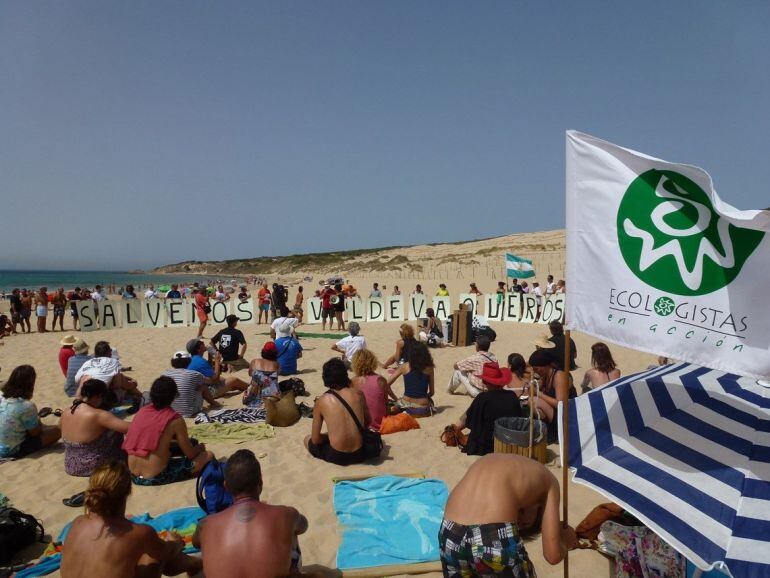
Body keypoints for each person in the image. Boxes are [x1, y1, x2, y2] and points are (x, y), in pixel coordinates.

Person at [439, 454, 577, 577]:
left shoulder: (508, 464)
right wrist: (566, 540)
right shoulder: (550, 481)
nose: (518, 520)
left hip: (450, 532)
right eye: (522, 518)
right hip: (490, 535)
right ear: (539, 508)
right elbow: (552, 556)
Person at [61, 460, 202, 578]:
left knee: (143, 554)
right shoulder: (137, 533)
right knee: (155, 556)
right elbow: (167, 552)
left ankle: (195, 564)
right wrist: (175, 542)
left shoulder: (78, 522)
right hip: (161, 549)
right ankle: (196, 564)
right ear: (128, 491)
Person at [192, 450, 308, 577]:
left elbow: (196, 543)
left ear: (226, 487)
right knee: (290, 531)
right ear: (261, 483)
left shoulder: (206, 525)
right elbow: (303, 526)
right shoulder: (286, 515)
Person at [124, 376, 213, 485]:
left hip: (133, 475)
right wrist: (199, 450)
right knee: (208, 455)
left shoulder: (142, 412)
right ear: (174, 396)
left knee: (176, 445)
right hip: (154, 477)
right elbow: (191, 455)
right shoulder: (175, 419)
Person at [304, 358, 370, 465]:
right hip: (360, 453)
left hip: (338, 456)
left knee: (307, 439)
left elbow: (315, 439)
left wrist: (328, 436)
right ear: (345, 375)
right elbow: (367, 422)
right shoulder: (358, 394)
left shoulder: (321, 401)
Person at [61, 379, 129, 477]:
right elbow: (129, 429)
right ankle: (121, 459)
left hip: (70, 466)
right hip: (92, 467)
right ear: (99, 396)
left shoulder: (66, 411)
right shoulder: (98, 415)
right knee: (116, 431)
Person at [452, 362, 523, 456]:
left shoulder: (482, 398)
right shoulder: (512, 396)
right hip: (509, 441)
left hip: (486, 445)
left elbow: (471, 419)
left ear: (485, 382)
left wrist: (456, 428)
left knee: (469, 417)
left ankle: (455, 427)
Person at [0, 365, 61, 458]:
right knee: (58, 431)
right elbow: (35, 433)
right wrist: (39, 422)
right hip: (10, 451)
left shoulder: (2, 397)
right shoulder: (26, 406)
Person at [75, 341, 142, 405]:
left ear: (95, 354)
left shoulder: (88, 362)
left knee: (86, 378)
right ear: (109, 352)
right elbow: (117, 384)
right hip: (100, 401)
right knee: (122, 385)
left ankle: (78, 401)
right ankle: (139, 393)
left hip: (82, 396)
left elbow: (77, 379)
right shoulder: (113, 361)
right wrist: (132, 384)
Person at [164, 351, 221, 417]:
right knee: (203, 386)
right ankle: (214, 403)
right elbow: (213, 381)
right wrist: (217, 362)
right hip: (189, 411)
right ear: (189, 361)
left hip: (170, 410)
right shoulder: (194, 374)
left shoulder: (166, 374)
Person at [351, 349, 395, 432]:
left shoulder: (352, 381)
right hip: (380, 423)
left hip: (361, 424)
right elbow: (385, 404)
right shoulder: (380, 380)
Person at [386, 342, 435, 416]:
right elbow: (432, 393)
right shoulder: (429, 368)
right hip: (422, 409)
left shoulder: (404, 366)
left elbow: (386, 384)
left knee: (391, 404)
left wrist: (396, 399)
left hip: (406, 405)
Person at [528, 349, 570, 431]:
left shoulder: (559, 376)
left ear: (546, 366)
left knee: (533, 400)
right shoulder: (545, 375)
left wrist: (538, 393)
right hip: (555, 412)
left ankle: (553, 431)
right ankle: (547, 428)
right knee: (532, 401)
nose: (535, 372)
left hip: (565, 415)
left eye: (536, 369)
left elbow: (560, 404)